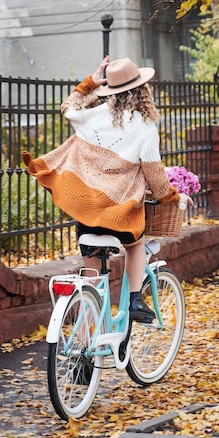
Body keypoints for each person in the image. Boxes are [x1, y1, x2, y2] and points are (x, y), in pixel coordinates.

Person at [22, 56, 190, 323]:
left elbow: (67, 106)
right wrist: (175, 197)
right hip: (121, 215)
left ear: (110, 91)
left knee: (91, 278)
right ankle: (136, 300)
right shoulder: (145, 127)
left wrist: (90, 81)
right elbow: (156, 180)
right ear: (142, 91)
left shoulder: (89, 117)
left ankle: (86, 345)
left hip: (87, 210)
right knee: (135, 245)